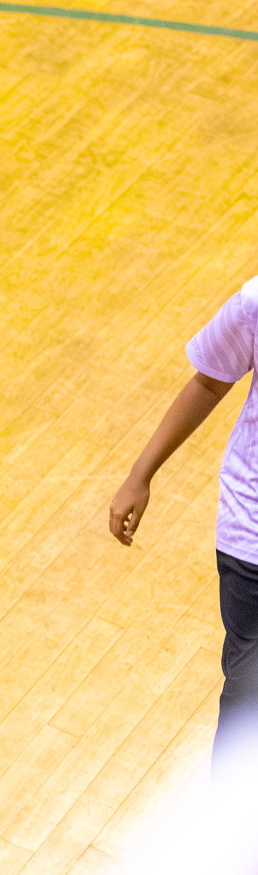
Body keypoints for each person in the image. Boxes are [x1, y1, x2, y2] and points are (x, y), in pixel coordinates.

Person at [111, 276, 258, 762]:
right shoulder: (255, 303)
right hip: (250, 537)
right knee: (246, 702)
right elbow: (210, 380)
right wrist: (140, 474)